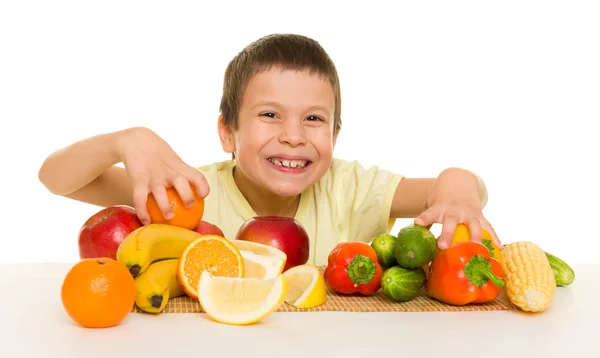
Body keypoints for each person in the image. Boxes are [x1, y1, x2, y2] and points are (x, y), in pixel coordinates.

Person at [38, 33, 502, 266]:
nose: (294, 136)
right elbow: (55, 179)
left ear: (335, 138)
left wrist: (459, 195)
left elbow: (457, 180)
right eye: (270, 115)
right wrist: (127, 140)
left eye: (314, 119)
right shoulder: (187, 194)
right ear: (227, 133)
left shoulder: (352, 187)